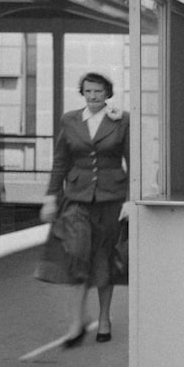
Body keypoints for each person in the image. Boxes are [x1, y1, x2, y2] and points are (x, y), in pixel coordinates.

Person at [38, 72, 130, 346]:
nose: (93, 97)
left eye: (99, 92)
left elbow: (132, 161)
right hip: (77, 199)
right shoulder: (70, 120)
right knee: (77, 255)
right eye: (88, 91)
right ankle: (76, 322)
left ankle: (104, 319)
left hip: (111, 198)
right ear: (82, 93)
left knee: (105, 259)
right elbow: (60, 162)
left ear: (107, 93)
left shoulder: (122, 120)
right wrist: (51, 197)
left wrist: (129, 200)